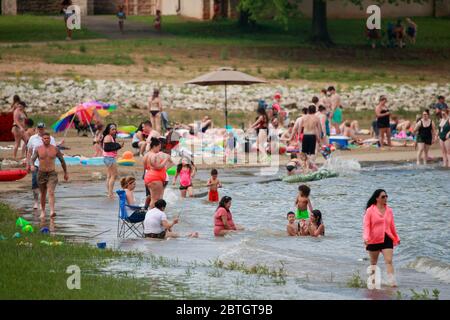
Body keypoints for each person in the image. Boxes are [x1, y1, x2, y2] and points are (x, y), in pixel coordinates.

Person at [363, 189, 400, 287]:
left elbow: (392, 225)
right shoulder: (370, 210)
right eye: (383, 197)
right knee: (374, 263)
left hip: (387, 238)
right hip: (373, 239)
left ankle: (392, 282)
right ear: (377, 198)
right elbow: (367, 226)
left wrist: (396, 237)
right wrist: (366, 238)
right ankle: (373, 282)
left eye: (386, 196)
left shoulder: (389, 210)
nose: (386, 198)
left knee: (389, 261)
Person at [30, 133, 68, 219]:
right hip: (41, 173)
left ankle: (52, 211)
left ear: (50, 139)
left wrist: (66, 173)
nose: (46, 139)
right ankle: (43, 211)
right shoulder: (38, 149)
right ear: (42, 140)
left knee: (51, 192)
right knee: (43, 193)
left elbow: (62, 161)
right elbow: (32, 159)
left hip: (52, 173)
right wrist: (32, 165)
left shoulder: (55, 149)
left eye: (48, 138)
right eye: (45, 138)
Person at [26, 122, 57, 210]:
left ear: (44, 128)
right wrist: (28, 164)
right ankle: (36, 201)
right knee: (35, 184)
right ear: (37, 128)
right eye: (39, 128)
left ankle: (43, 202)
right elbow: (29, 152)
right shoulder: (33, 138)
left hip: (47, 166)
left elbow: (54, 150)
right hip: (35, 165)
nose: (40, 130)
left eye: (42, 128)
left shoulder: (51, 138)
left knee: (46, 185)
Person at [144, 137, 171, 209]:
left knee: (153, 198)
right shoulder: (154, 155)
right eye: (159, 147)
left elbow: (146, 167)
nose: (159, 149)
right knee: (156, 200)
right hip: (155, 179)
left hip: (148, 177)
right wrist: (166, 159)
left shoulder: (146, 154)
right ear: (154, 146)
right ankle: (152, 216)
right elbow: (158, 167)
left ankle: (151, 214)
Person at [102, 123, 123, 199]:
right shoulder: (108, 137)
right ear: (108, 130)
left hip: (108, 158)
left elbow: (111, 147)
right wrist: (118, 145)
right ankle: (110, 193)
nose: (114, 131)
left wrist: (118, 146)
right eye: (112, 129)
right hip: (109, 158)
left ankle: (109, 192)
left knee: (109, 176)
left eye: (115, 129)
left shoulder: (110, 137)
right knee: (114, 175)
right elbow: (107, 148)